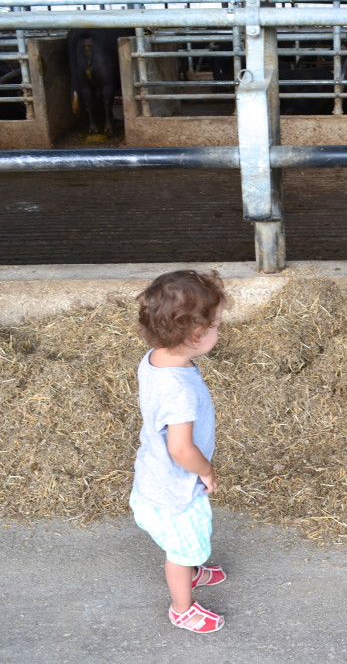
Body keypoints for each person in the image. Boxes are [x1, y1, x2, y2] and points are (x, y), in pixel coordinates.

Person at [129, 269, 229, 634]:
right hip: (174, 490)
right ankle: (181, 608)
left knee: (182, 545)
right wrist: (205, 470)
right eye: (217, 325)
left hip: (152, 475)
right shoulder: (179, 390)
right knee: (179, 550)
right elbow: (181, 449)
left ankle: (192, 572)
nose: (220, 330)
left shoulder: (155, 358)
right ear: (195, 334)